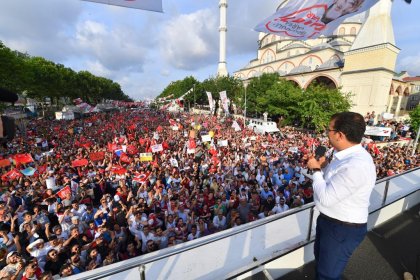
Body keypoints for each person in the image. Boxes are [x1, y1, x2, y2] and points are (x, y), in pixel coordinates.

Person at [307, 112, 376, 280]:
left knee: (328, 275)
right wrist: (324, 167)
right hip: (330, 222)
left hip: (342, 229)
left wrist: (315, 170)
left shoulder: (356, 165)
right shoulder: (345, 157)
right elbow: (336, 182)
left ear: (339, 135)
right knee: (322, 266)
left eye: (329, 130)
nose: (327, 134)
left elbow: (326, 198)